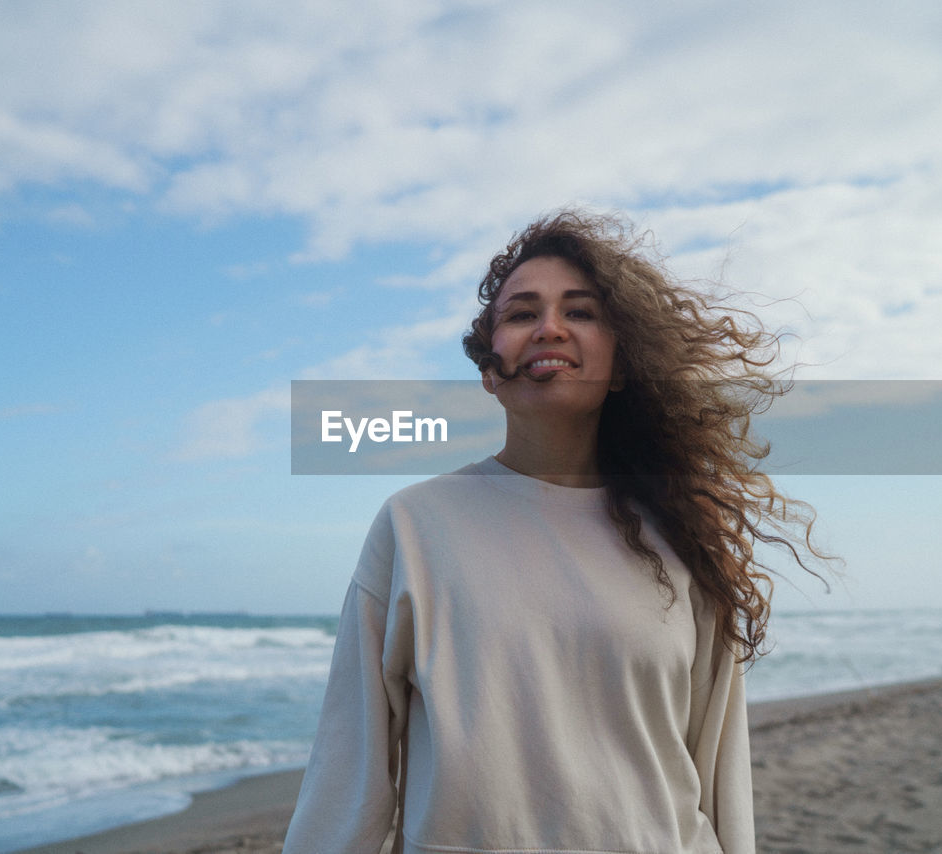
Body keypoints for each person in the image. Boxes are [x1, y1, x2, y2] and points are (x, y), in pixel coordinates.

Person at [283, 210, 823, 854]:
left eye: (581, 312)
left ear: (623, 365)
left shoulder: (684, 539)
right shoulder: (414, 526)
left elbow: (719, 774)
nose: (549, 328)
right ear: (489, 370)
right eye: (520, 314)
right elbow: (347, 778)